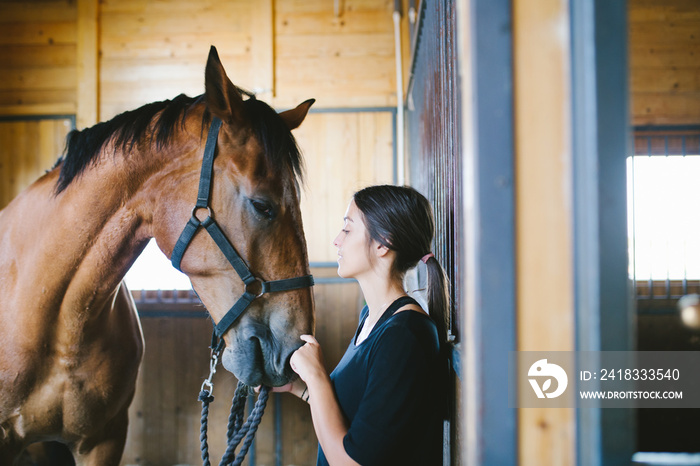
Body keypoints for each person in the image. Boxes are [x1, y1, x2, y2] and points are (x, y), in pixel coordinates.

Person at [276, 185, 450, 466]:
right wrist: (300, 386)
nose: (337, 241)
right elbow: (355, 415)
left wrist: (317, 375)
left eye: (347, 229)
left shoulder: (403, 336)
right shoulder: (372, 318)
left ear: (383, 243)